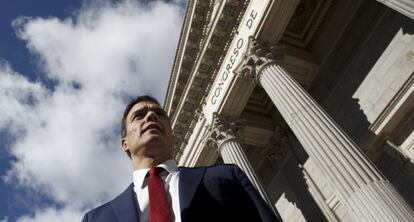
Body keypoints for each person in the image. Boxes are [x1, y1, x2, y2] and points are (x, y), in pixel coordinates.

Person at [82, 95, 278, 222]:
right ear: (124, 143)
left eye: (159, 114)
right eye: (139, 115)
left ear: (172, 136)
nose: (151, 116)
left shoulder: (225, 177)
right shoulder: (97, 218)